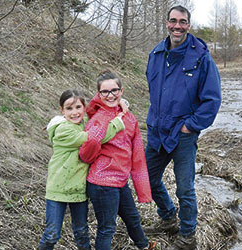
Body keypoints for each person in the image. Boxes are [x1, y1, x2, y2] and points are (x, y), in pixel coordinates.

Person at [144, 5, 222, 250]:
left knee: (185, 189)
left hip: (183, 135)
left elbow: (212, 99)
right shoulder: (156, 54)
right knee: (147, 178)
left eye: (182, 22)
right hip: (158, 130)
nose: (177, 26)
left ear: (189, 25)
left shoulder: (201, 58)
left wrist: (190, 126)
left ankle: (187, 236)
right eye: (173, 21)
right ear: (167, 23)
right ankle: (168, 217)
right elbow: (153, 90)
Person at [38, 89, 127, 250]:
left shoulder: (84, 125)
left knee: (81, 232)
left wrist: (115, 100)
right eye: (69, 109)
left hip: (78, 189)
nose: (75, 112)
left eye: (78, 107)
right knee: (52, 234)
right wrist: (118, 122)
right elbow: (94, 139)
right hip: (58, 189)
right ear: (62, 110)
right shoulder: (62, 130)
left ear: (84, 107)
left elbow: (96, 106)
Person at [79, 70, 156, 250]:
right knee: (107, 228)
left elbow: (137, 155)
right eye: (105, 92)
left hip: (120, 181)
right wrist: (95, 139)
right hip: (102, 183)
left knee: (133, 219)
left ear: (121, 91)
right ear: (98, 95)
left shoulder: (129, 118)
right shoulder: (97, 119)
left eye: (114, 90)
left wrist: (143, 189)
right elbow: (85, 155)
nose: (110, 95)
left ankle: (144, 246)